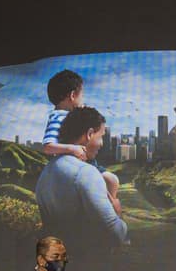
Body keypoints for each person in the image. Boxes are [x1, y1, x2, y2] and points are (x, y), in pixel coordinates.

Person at [35, 106, 128, 271]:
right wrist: (118, 212)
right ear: (89, 134)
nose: (101, 143)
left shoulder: (47, 171)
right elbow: (114, 230)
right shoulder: (86, 173)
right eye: (101, 136)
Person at [41, 69, 119, 206]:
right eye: (81, 95)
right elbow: (47, 147)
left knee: (111, 180)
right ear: (72, 95)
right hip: (78, 162)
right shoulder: (57, 117)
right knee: (110, 181)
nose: (82, 99)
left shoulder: (72, 113)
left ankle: (108, 204)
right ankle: (109, 207)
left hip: (86, 161)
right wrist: (72, 149)